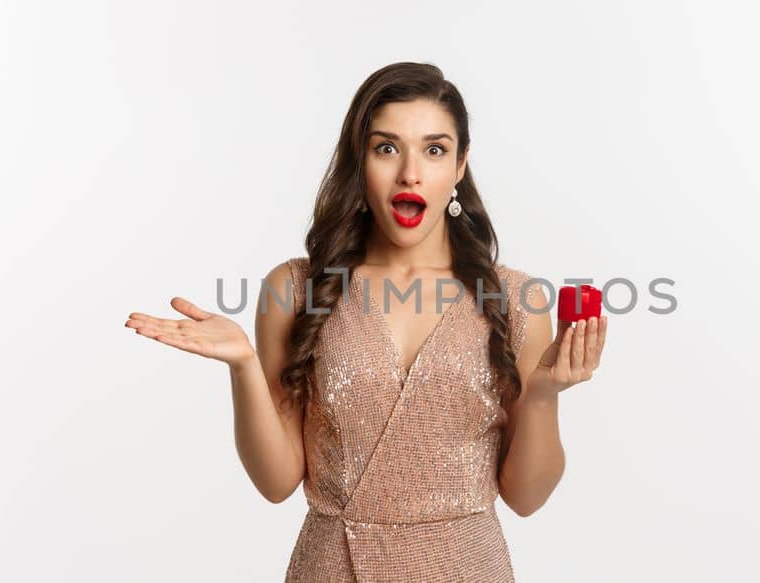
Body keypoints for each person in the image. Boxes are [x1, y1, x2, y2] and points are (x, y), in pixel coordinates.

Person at [124, 62, 609, 582]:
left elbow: (527, 497)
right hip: (334, 568)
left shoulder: (514, 297)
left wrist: (542, 394)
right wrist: (242, 364)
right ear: (361, 160)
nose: (410, 173)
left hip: (469, 567)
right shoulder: (296, 288)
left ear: (461, 165)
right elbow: (276, 482)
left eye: (435, 149)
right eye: (386, 148)